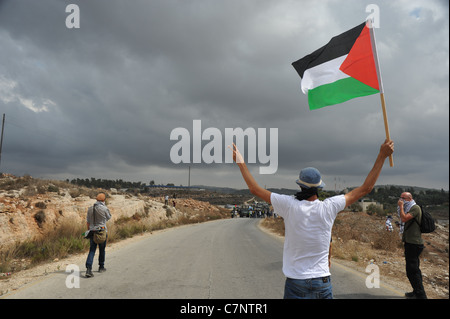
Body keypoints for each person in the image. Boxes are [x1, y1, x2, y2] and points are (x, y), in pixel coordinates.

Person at [229, 139, 394, 299]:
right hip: (322, 281)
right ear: (319, 187)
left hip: (296, 282)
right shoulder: (329, 206)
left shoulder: (288, 205)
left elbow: (254, 189)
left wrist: (241, 162)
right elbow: (366, 188)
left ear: (300, 185)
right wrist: (382, 156)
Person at [398, 192, 427, 299]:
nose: (401, 200)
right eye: (400, 198)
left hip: (414, 243)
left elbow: (404, 218)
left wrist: (401, 207)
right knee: (414, 270)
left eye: (403, 198)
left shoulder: (415, 208)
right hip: (410, 242)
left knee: (412, 271)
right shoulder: (409, 208)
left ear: (409, 199)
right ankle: (416, 292)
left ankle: (421, 295)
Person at [85, 193, 112, 278]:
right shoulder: (104, 208)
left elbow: (88, 222)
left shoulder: (90, 209)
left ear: (96, 199)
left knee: (92, 250)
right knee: (102, 249)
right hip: (102, 231)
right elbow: (108, 217)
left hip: (92, 231)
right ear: (104, 200)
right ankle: (101, 267)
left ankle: (88, 269)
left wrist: (89, 230)